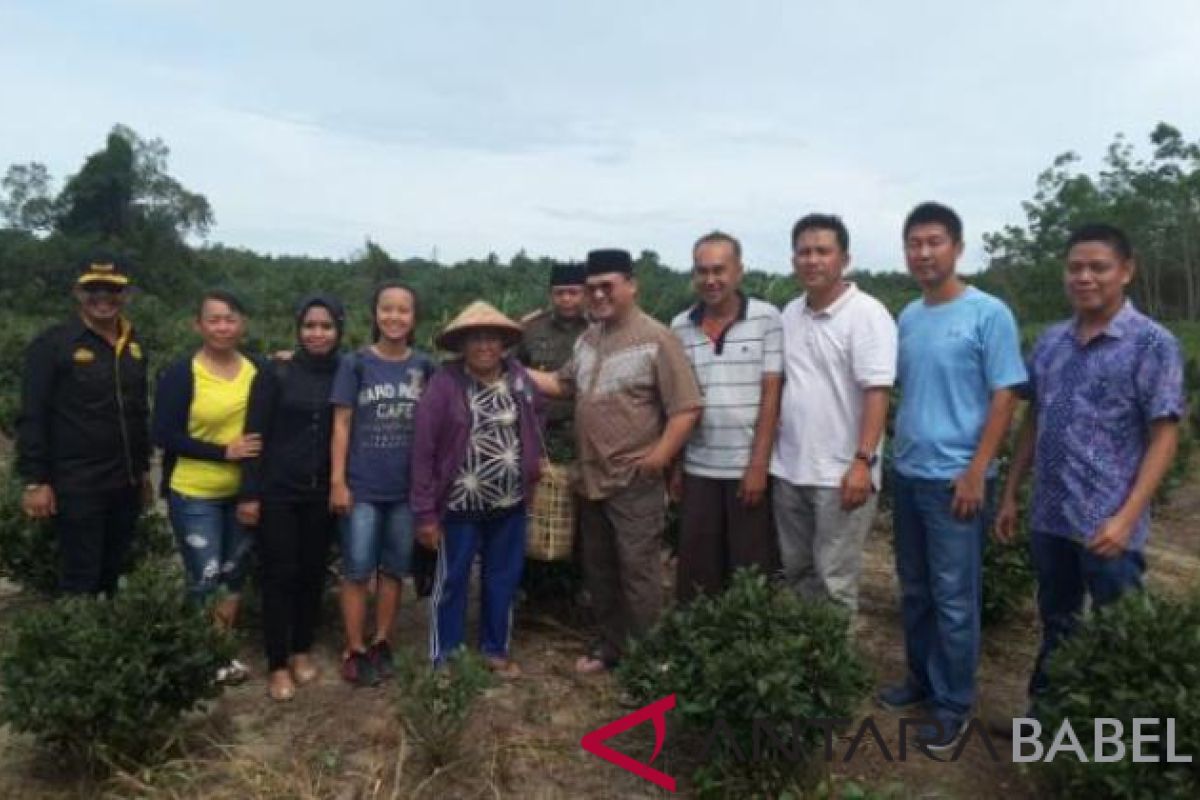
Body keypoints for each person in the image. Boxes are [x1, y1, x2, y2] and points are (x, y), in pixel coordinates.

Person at [994, 223, 1183, 702]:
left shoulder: (1151, 344)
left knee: (1122, 631)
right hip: (1051, 516)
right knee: (1058, 621)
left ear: (1126, 271)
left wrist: (1127, 517)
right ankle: (1049, 720)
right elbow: (1035, 418)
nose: (1084, 277)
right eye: (1075, 267)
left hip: (1108, 523)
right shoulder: (1052, 342)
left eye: (1098, 267)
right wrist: (1013, 492)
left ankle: (1121, 740)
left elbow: (1165, 436)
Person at [876, 202, 1027, 750]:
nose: (923, 252)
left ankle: (954, 703)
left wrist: (977, 469)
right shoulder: (909, 316)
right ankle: (919, 680)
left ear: (958, 248)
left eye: (934, 241)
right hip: (909, 471)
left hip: (957, 479)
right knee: (914, 590)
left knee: (955, 596)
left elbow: (1005, 393)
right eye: (913, 243)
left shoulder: (990, 313)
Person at [528, 248, 703, 673]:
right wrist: (506, 367)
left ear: (631, 285)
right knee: (600, 567)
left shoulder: (656, 338)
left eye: (608, 286)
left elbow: (687, 408)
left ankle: (645, 660)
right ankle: (610, 646)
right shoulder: (589, 339)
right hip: (590, 477)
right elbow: (560, 384)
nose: (599, 295)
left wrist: (658, 458)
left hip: (634, 479)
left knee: (638, 572)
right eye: (592, 288)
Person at [770, 215, 897, 614]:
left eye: (823, 251)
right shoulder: (789, 313)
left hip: (840, 473)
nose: (812, 260)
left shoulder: (867, 314)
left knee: (834, 581)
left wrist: (863, 462)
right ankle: (803, 662)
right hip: (791, 468)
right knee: (798, 573)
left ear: (844, 258)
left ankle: (829, 674)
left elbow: (877, 393)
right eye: (804, 252)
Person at [412, 301, 545, 675]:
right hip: (457, 506)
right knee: (452, 580)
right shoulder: (445, 384)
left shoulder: (518, 378)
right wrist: (424, 513)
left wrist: (533, 460)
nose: (485, 346)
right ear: (462, 345)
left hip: (510, 503)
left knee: (502, 579)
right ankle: (446, 655)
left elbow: (539, 413)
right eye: (476, 339)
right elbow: (423, 451)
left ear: (504, 343)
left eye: (492, 338)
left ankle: (494, 649)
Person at [15, 255, 151, 595]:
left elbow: (137, 414)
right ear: (78, 293)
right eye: (93, 289)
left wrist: (144, 471)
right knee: (81, 574)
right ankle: (75, 646)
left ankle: (105, 645)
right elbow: (33, 414)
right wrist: (36, 481)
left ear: (126, 294)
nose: (103, 297)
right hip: (78, 483)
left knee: (115, 570)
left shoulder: (134, 345)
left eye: (112, 289)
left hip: (126, 481)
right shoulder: (53, 345)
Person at [238, 294, 346, 701]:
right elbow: (253, 437)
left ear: (339, 330)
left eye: (326, 326)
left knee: (312, 573)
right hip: (278, 491)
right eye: (309, 326)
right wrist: (250, 493)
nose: (317, 334)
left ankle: (301, 650)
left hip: (322, 492)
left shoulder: (346, 370)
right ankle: (277, 663)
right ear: (298, 329)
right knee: (278, 575)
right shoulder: (274, 372)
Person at [329, 282, 435, 687]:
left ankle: (382, 639)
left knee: (393, 569)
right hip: (362, 487)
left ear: (414, 317)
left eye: (403, 310)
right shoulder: (355, 364)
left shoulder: (425, 367)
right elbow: (341, 424)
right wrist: (338, 481)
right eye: (386, 309)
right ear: (375, 314)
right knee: (357, 569)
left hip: (406, 490)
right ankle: (354, 646)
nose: (394, 317)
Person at [154, 289, 262, 685]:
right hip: (194, 491)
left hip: (242, 493)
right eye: (214, 319)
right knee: (205, 574)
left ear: (243, 324)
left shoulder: (257, 369)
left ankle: (222, 653)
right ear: (197, 325)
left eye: (230, 318)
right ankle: (202, 655)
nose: (223, 326)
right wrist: (224, 451)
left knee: (233, 574)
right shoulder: (182, 373)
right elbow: (163, 434)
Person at [669, 231, 782, 602]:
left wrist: (758, 466)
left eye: (720, 270)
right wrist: (677, 465)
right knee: (698, 574)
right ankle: (697, 651)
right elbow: (678, 401)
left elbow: (771, 394)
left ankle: (746, 655)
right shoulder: (680, 326)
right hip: (699, 466)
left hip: (745, 468)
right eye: (702, 271)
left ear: (739, 271)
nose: (711, 280)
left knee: (751, 571)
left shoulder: (767, 319)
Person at [516, 262, 588, 460]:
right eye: (559, 293)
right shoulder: (532, 328)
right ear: (550, 295)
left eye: (573, 293)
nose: (566, 299)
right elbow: (513, 368)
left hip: (583, 430)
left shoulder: (598, 329)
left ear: (585, 294)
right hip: (537, 427)